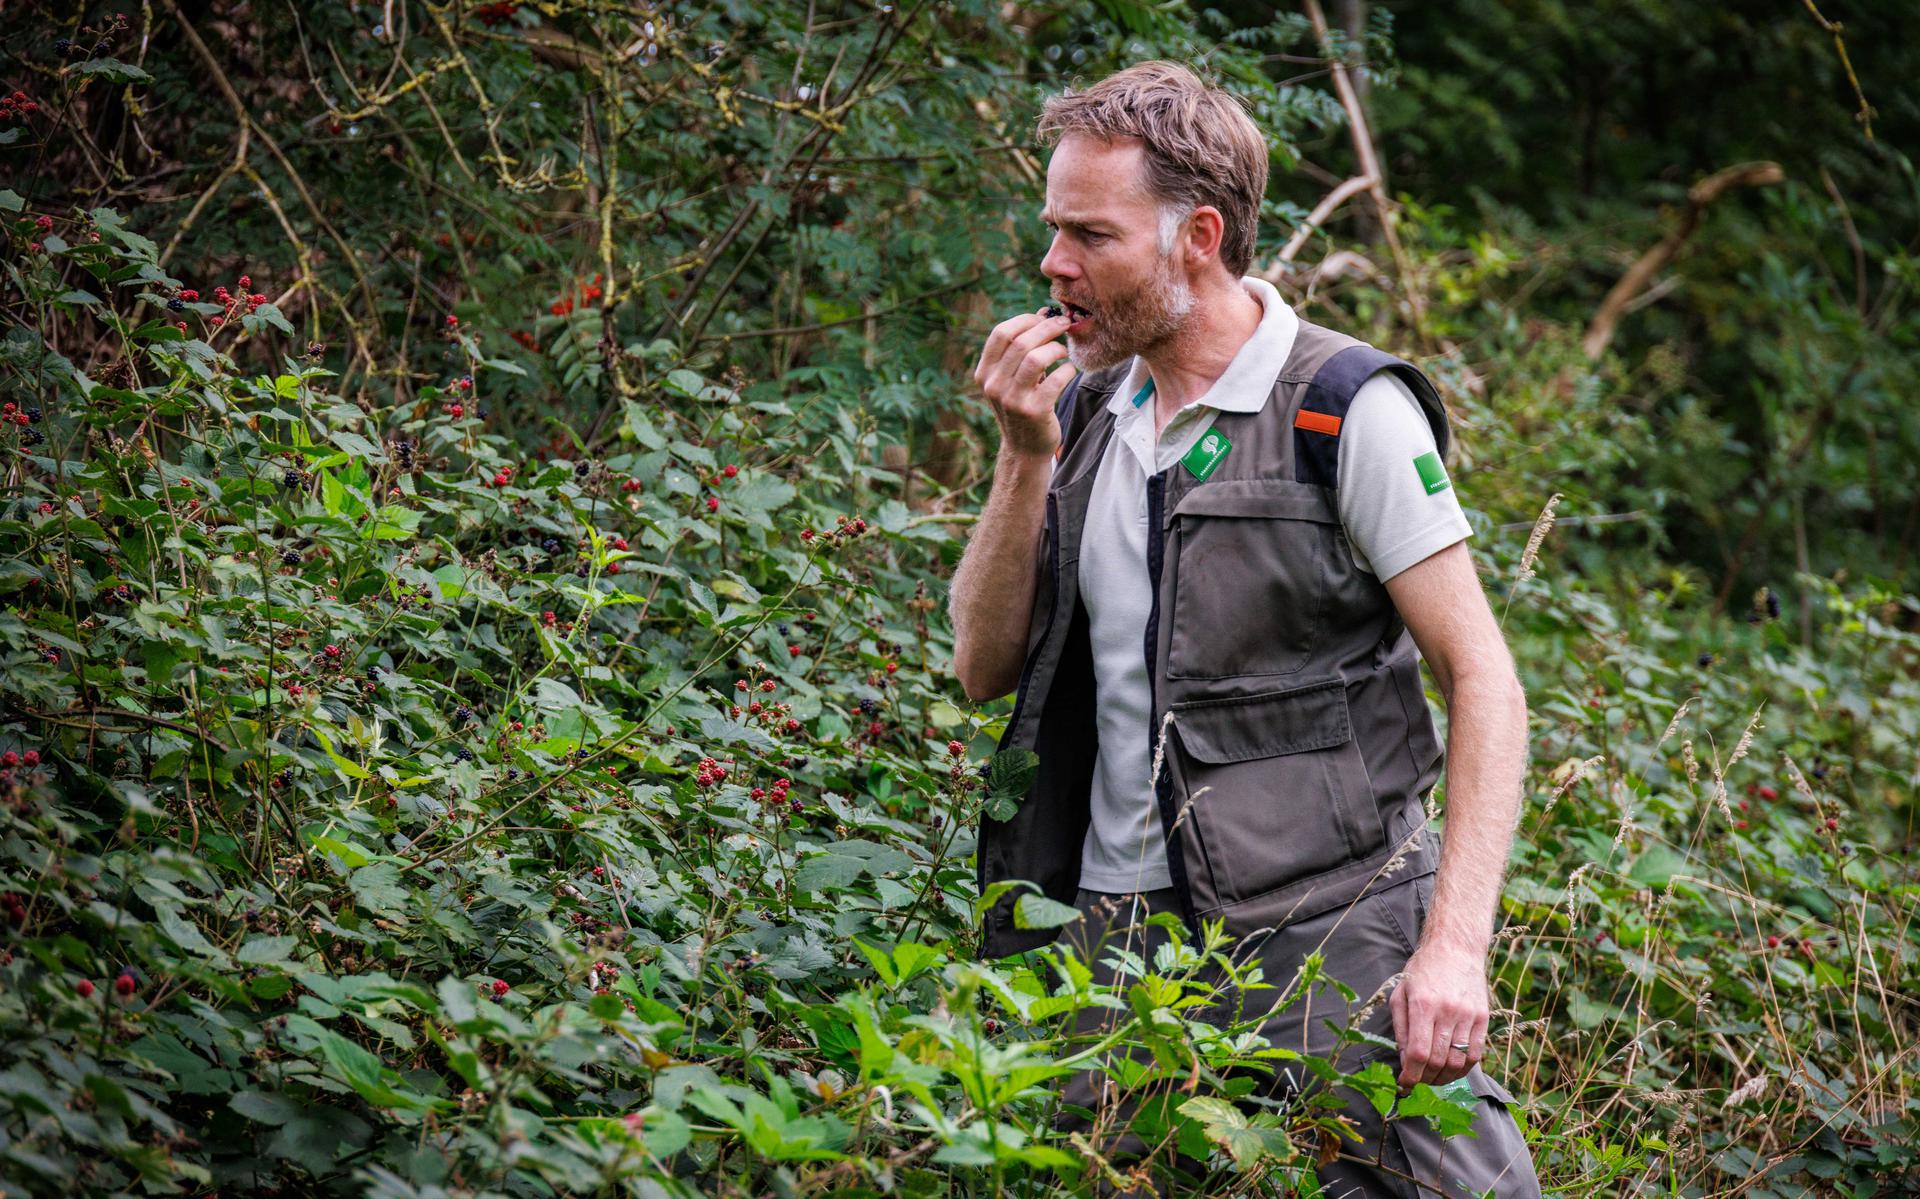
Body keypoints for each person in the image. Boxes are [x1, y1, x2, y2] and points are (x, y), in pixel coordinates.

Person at [948, 61, 1542, 1197]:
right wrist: (1023, 458)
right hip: (1102, 941)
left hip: (1333, 922)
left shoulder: (1344, 409)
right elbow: (981, 669)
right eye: (1051, 230)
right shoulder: (1082, 410)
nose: (1052, 265)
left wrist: (1454, 947)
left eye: (1090, 236)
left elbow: (1484, 676)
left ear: (1199, 237)